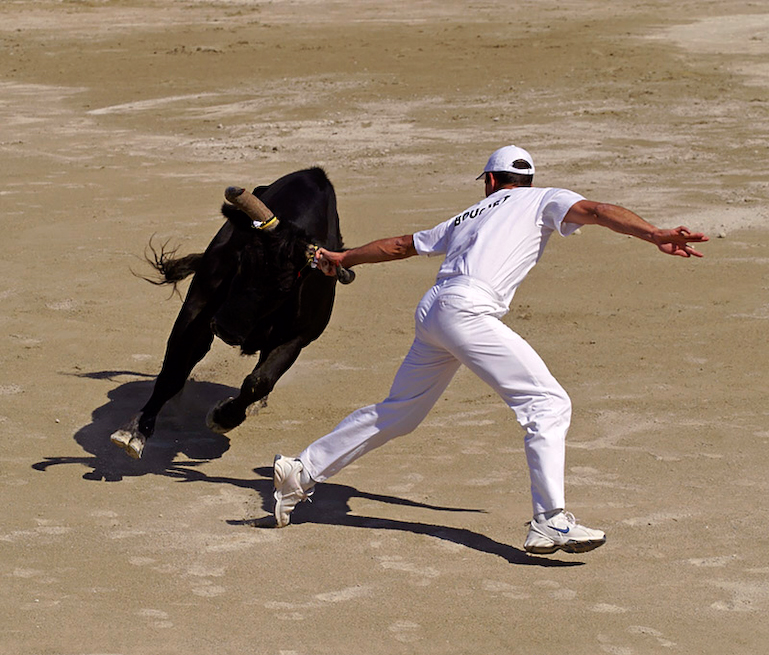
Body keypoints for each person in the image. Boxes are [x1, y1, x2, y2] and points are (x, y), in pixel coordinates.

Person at [272, 145, 708, 555]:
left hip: (435, 310)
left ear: (490, 182)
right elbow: (595, 211)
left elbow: (401, 245)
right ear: (528, 180)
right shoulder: (543, 198)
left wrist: (344, 257)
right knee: (547, 402)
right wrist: (653, 234)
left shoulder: (468, 216)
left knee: (400, 411)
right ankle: (550, 520)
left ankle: (302, 470)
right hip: (469, 311)